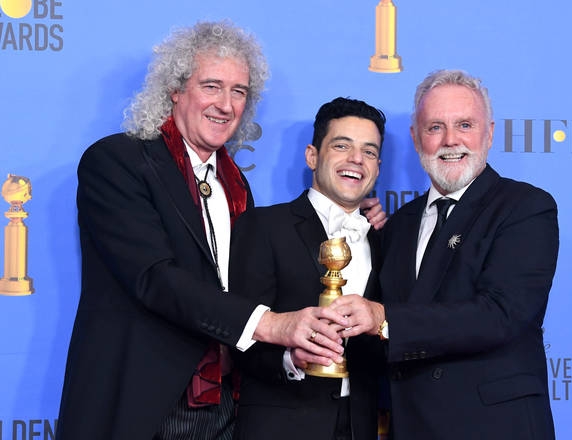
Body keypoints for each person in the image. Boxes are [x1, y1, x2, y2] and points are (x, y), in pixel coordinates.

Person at [56, 21, 385, 440]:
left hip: (223, 407)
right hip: (142, 404)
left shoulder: (235, 184)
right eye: (212, 86)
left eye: (239, 92)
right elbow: (154, 278)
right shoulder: (117, 161)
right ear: (175, 89)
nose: (226, 105)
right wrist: (271, 325)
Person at [331, 69, 559, 439]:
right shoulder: (399, 225)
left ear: (489, 133)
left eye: (465, 125)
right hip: (411, 427)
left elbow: (500, 315)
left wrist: (385, 319)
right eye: (435, 127)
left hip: (496, 429)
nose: (450, 140)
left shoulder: (525, 207)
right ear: (415, 137)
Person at [229, 97, 387, 440]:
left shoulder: (385, 241)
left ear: (377, 167)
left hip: (360, 426)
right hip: (280, 427)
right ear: (312, 156)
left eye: (369, 151)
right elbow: (235, 330)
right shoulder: (264, 226)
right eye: (342, 145)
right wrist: (290, 358)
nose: (356, 159)